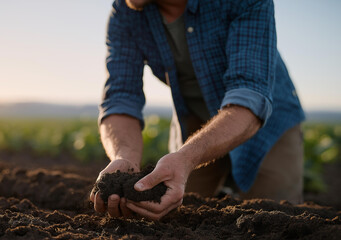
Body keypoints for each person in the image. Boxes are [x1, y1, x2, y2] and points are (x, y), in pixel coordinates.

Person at [90, 0, 305, 220]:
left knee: (274, 215)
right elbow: (120, 98)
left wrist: (187, 157)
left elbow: (249, 94)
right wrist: (124, 157)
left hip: (263, 117)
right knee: (177, 210)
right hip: (193, 116)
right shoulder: (125, 11)